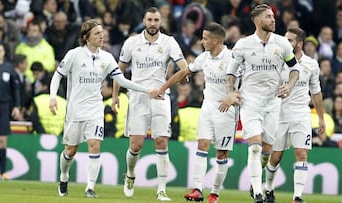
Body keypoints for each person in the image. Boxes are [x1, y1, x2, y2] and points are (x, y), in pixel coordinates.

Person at [49, 19, 159, 198]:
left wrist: (148, 90)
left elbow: (122, 80)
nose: (102, 36)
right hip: (75, 110)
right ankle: (64, 176)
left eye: (102, 32)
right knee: (71, 150)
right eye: (97, 33)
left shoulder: (106, 58)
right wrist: (53, 97)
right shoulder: (74, 55)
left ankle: (90, 188)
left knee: (94, 146)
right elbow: (57, 76)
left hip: (95, 109)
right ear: (86, 38)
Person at [219, 4, 300, 203]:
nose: (273, 20)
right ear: (257, 21)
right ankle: (257, 192)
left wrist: (289, 86)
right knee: (254, 147)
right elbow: (230, 72)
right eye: (268, 17)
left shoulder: (281, 43)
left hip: (273, 103)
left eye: (273, 16)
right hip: (250, 101)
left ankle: (255, 180)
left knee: (266, 150)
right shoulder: (243, 45)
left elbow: (295, 69)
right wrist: (230, 92)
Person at [155, 22, 238, 203]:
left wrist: (234, 96)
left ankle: (215, 193)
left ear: (216, 41)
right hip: (208, 107)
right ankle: (198, 189)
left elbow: (248, 84)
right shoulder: (204, 57)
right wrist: (163, 87)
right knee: (202, 145)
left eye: (205, 38)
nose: (201, 41)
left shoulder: (233, 58)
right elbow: (185, 71)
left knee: (222, 154)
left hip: (227, 111)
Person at [115, 7, 189, 201]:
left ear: (161, 22)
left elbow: (184, 67)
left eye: (156, 20)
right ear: (144, 21)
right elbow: (118, 71)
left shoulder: (169, 42)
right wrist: (115, 96)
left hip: (160, 98)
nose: (153, 24)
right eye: (150, 20)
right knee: (136, 145)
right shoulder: (132, 42)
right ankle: (130, 175)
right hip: (138, 98)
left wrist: (182, 75)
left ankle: (161, 190)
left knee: (161, 141)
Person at [263, 27, 325, 203]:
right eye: (285, 39)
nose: (286, 43)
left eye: (290, 40)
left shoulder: (311, 64)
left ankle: (297, 197)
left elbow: (316, 93)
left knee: (301, 154)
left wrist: (320, 118)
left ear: (299, 43)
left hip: (301, 115)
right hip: (279, 115)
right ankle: (269, 189)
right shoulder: (277, 61)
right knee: (275, 158)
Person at [0, 43, 21, 180]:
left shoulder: (8, 68)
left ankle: (3, 172)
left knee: (2, 140)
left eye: (0, 50)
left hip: (4, 107)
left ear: (4, 52)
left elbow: (16, 88)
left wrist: (17, 106)